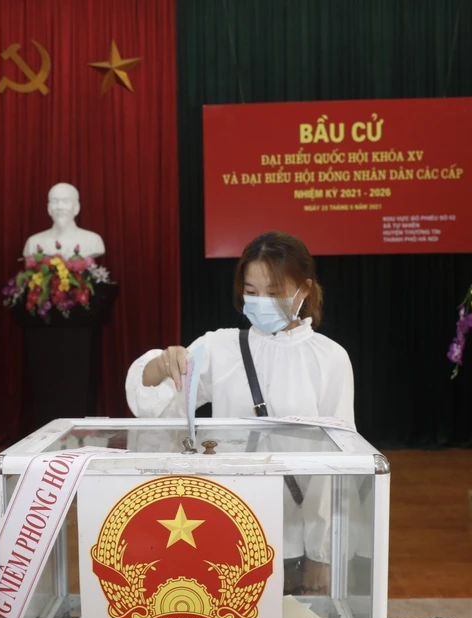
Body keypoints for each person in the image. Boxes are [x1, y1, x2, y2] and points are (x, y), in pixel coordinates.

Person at [124, 231, 356, 594]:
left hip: (291, 539)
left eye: (275, 291)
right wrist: (158, 364)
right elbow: (155, 405)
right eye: (251, 291)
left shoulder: (329, 359)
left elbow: (336, 467)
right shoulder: (218, 347)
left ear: (305, 290)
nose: (261, 301)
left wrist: (321, 554)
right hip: (221, 528)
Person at [23, 182, 106, 259]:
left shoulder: (93, 241)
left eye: (66, 201)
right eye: (54, 201)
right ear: (49, 208)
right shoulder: (33, 242)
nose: (59, 207)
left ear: (76, 208)